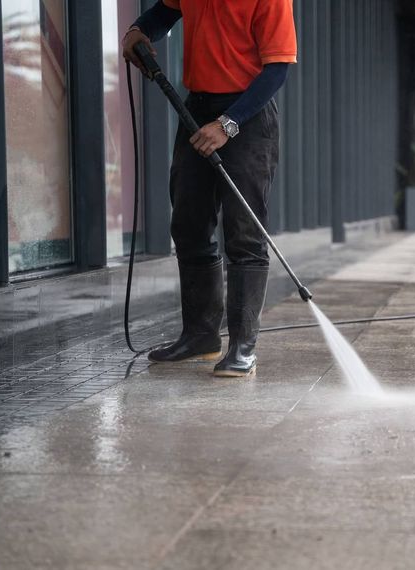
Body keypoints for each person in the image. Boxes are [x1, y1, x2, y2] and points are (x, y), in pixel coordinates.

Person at [122, 0, 296, 377]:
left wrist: (227, 125)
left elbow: (277, 69)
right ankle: (200, 336)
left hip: (247, 115)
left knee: (244, 232)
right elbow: (164, 13)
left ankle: (243, 347)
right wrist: (137, 30)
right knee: (188, 223)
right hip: (196, 108)